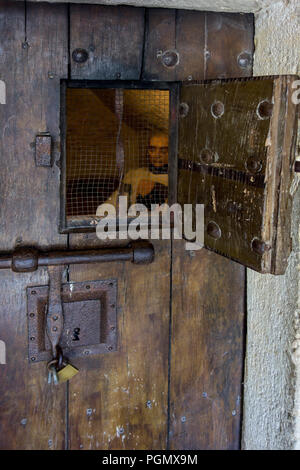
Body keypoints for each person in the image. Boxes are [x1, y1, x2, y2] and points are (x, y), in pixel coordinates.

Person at [106, 132, 169, 210]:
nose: (157, 155)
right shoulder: (134, 175)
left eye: (163, 151)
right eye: (152, 150)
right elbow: (115, 202)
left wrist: (158, 188)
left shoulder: (178, 179)